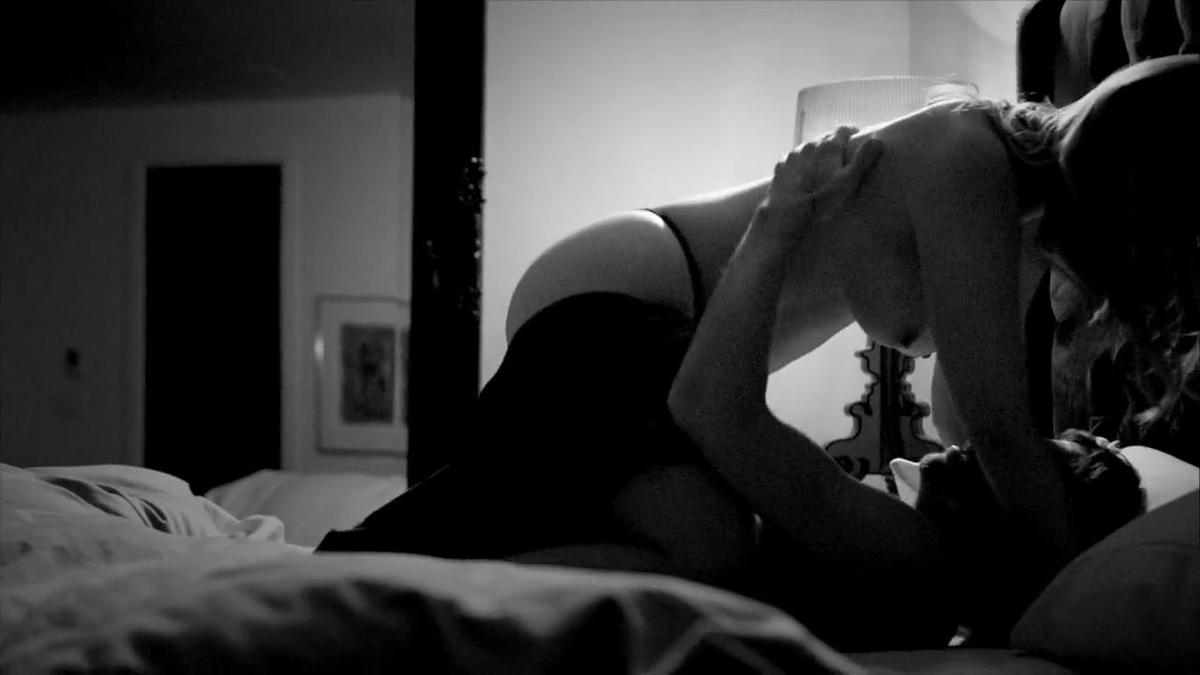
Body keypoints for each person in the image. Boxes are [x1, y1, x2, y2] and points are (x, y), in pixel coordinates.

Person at [318, 55, 1194, 646]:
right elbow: (999, 433)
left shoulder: (1014, 230)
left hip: (666, 322)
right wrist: (1067, 589)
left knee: (665, 544)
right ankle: (386, 591)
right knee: (709, 547)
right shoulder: (972, 160)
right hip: (635, 286)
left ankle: (374, 578)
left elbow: (969, 421)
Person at [666, 128, 1146, 647]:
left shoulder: (918, 561)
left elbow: (710, 406)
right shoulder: (930, 573)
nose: (971, 452)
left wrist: (778, 217)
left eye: (1042, 457)